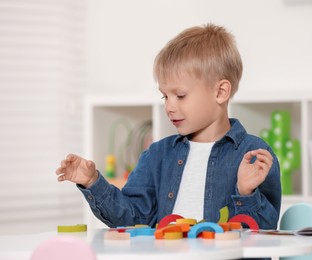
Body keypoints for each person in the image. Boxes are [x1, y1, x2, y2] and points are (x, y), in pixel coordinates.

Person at [56, 23, 281, 230]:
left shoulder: (253, 155)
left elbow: (265, 234)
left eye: (180, 95)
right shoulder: (157, 154)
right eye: (165, 96)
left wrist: (246, 193)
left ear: (220, 92)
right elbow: (132, 218)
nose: (170, 107)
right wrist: (93, 181)